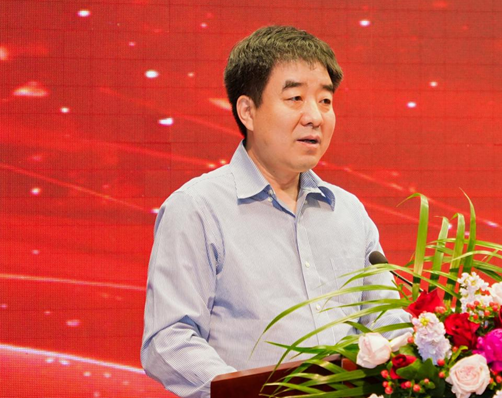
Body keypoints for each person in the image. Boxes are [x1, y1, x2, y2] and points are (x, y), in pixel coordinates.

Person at [141, 26, 405, 398]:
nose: (315, 116)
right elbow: (169, 340)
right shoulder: (197, 208)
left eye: (325, 101)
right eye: (295, 98)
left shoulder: (348, 212)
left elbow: (388, 321)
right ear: (247, 111)